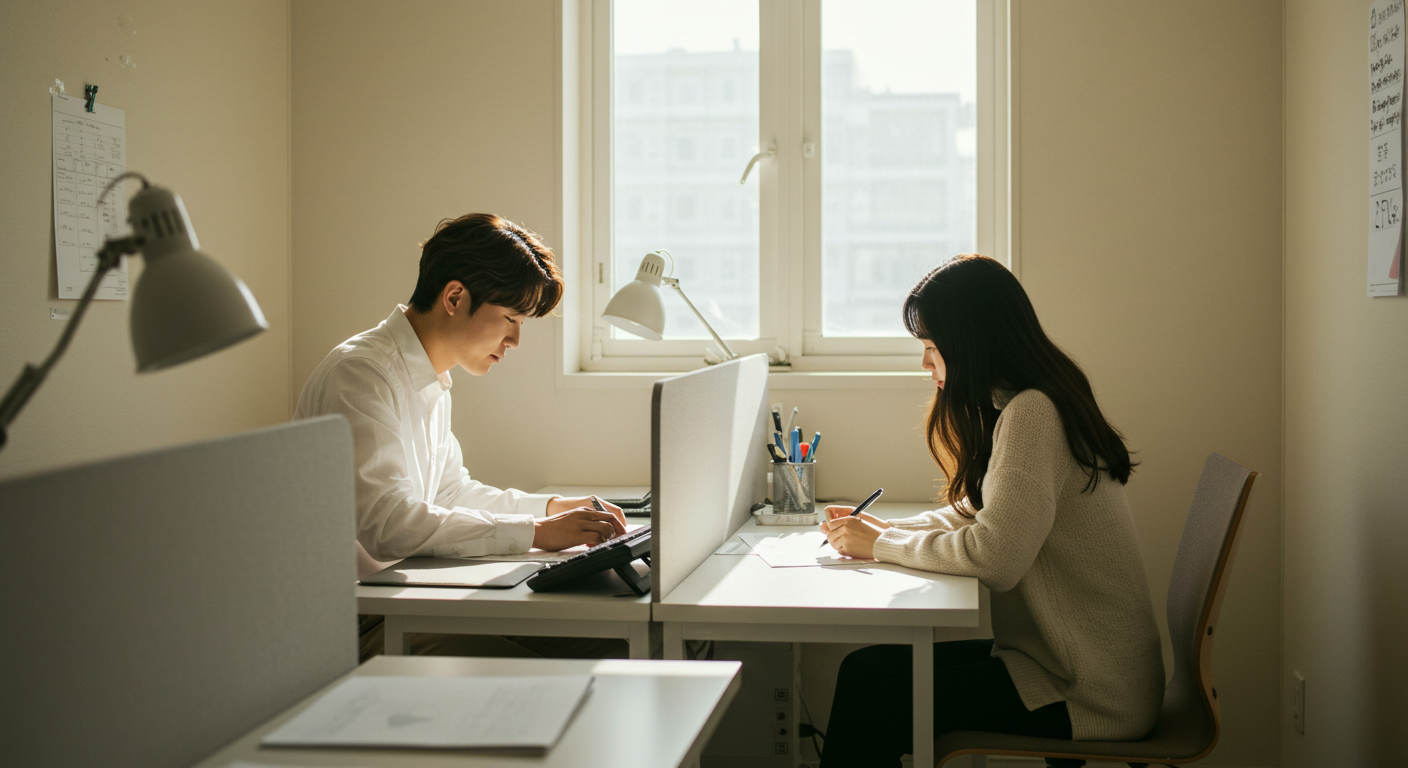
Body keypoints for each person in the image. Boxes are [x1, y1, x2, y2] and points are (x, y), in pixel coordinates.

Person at [818, 255, 1163, 767]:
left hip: (1087, 687)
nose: (925, 365)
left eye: (932, 347)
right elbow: (981, 512)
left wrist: (883, 544)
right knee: (862, 671)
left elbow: (995, 558)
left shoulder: (1033, 413)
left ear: (970, 344)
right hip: (1059, 660)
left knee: (873, 705)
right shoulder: (1031, 400)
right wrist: (885, 529)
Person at [295, 213, 627, 658]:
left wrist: (550, 509)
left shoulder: (430, 377)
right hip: (355, 622)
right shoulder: (361, 374)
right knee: (558, 665)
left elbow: (450, 493)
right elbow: (387, 525)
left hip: (405, 600)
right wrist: (538, 532)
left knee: (611, 638)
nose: (515, 340)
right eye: (510, 318)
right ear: (454, 297)